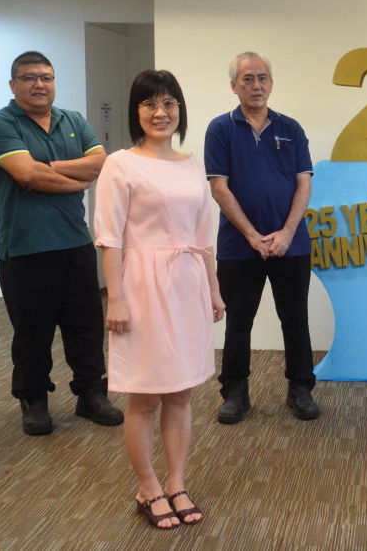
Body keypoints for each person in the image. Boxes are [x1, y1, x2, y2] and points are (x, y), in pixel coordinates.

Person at [94, 70, 225, 529]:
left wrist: (212, 288)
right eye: (149, 104)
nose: (160, 112)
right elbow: (109, 237)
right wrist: (116, 299)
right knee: (146, 396)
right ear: (136, 112)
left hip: (187, 283)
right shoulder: (121, 163)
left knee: (182, 393)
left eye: (169, 103)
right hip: (143, 286)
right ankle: (147, 486)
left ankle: (176, 481)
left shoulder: (192, 162)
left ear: (179, 110)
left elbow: (201, 234)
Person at [0, 51, 123, 435]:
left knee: (86, 326)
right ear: (13, 85)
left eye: (46, 77)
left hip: (75, 242)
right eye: (29, 78)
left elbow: (100, 162)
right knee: (33, 332)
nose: (39, 84)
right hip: (25, 248)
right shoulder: (0, 125)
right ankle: (34, 400)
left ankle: (91, 395)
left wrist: (50, 168)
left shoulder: (72, 120)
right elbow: (27, 175)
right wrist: (72, 178)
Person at [204, 51, 318, 424]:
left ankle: (300, 388)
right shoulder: (220, 129)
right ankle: (235, 392)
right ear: (233, 86)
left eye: (262, 78)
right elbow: (219, 188)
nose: (256, 85)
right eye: (248, 79)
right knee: (239, 321)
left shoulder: (292, 128)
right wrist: (253, 236)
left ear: (271, 83)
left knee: (295, 318)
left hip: (292, 245)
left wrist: (286, 233)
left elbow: (304, 184)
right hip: (239, 246)